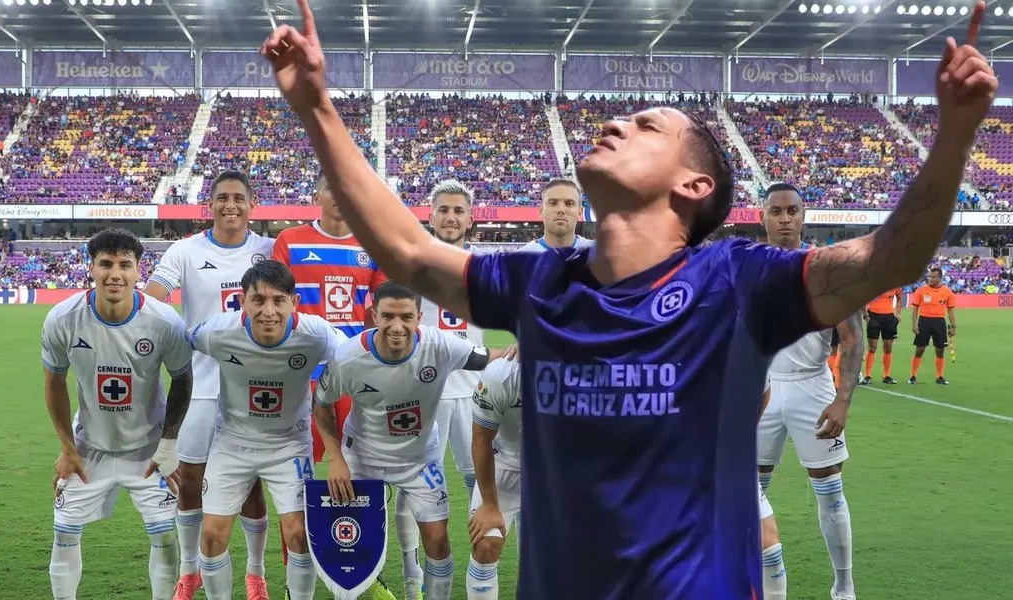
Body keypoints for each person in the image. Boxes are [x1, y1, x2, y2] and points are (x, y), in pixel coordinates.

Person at [261, 1, 995, 594]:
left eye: (647, 127)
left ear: (694, 186)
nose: (613, 123)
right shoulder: (541, 282)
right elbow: (411, 255)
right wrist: (317, 108)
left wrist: (956, 133)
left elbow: (891, 257)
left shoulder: (738, 283)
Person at [313, 282, 498, 600]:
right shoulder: (348, 358)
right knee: (352, 542)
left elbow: (488, 358)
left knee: (438, 540)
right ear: (374, 315)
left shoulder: (442, 345)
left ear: (419, 316)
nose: (397, 327)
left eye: (406, 317)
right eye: (387, 316)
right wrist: (336, 458)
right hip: (363, 456)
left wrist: (530, 350)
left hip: (420, 459)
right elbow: (321, 404)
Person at [144, 170, 277, 600]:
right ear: (210, 204)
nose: (231, 205)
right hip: (200, 386)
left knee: (252, 485)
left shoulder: (270, 250)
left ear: (252, 204)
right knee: (190, 482)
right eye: (222, 198)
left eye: (239, 198)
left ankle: (256, 575)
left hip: (254, 385)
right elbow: (154, 296)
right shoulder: (185, 250)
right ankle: (189, 571)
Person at [43, 228, 195, 600]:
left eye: (125, 265)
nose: (115, 273)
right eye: (106, 264)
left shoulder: (164, 322)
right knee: (64, 533)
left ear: (138, 270)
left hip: (147, 451)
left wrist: (168, 445)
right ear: (91, 268)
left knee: (163, 536)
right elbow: (54, 384)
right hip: (88, 449)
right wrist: (67, 449)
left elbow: (182, 381)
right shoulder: (63, 319)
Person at [270, 173, 402, 600]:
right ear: (317, 196)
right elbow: (275, 303)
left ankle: (366, 570)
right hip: (300, 378)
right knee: (299, 478)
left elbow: (380, 316)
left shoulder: (372, 245)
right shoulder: (290, 240)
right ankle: (297, 577)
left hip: (353, 380)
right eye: (332, 189)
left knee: (363, 472)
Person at [186, 260, 346, 600]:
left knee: (299, 533)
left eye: (278, 300)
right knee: (213, 535)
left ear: (294, 303)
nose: (268, 311)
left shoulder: (316, 334)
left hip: (289, 444)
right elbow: (174, 346)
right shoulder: (218, 332)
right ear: (242, 302)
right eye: (258, 300)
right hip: (232, 442)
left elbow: (357, 359)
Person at [755, 183, 863, 600]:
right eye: (776, 211)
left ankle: (844, 585)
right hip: (757, 393)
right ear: (762, 215)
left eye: (792, 211)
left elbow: (853, 339)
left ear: (804, 216)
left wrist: (842, 400)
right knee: (746, 495)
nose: (784, 218)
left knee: (830, 489)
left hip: (812, 388)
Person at [422, 179, 482, 503]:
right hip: (427, 388)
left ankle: (482, 556)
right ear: (430, 217)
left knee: (478, 475)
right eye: (443, 210)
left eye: (458, 211)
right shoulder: (411, 266)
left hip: (473, 389)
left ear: (469, 220)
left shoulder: (486, 270)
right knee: (423, 482)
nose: (450, 217)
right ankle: (414, 556)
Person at [465, 357, 523, 600]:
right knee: (486, 544)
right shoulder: (501, 374)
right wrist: (489, 504)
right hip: (503, 467)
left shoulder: (586, 372)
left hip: (553, 472)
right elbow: (481, 440)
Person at [757, 374, 786, 600]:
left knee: (771, 551)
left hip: (731, 462)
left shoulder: (747, 349)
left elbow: (764, 392)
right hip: (679, 464)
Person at [908, 267, 957, 385]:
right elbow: (915, 309)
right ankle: (913, 376)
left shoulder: (947, 292)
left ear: (940, 278)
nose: (930, 279)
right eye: (930, 276)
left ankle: (939, 376)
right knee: (920, 349)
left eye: (934, 277)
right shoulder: (921, 290)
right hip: (924, 321)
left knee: (940, 350)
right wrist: (914, 324)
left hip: (939, 322)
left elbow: (950, 310)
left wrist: (953, 326)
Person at [517, 178, 591, 252]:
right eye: (553, 203)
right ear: (541, 211)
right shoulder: (520, 259)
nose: (561, 210)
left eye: (569, 204)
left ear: (580, 213)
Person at [862, 287, 905, 385]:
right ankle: (867, 375)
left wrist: (897, 313)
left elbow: (899, 297)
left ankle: (886, 375)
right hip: (873, 316)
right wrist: (865, 315)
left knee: (888, 347)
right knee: (872, 347)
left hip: (889, 318)